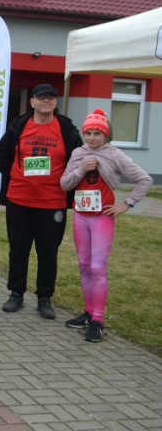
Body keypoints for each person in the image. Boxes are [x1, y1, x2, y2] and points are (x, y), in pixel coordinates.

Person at [60, 109, 152, 342]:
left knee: (98, 268)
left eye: (97, 134)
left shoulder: (115, 155)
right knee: (83, 264)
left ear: (106, 135)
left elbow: (144, 179)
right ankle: (88, 312)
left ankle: (98, 320)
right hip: (81, 216)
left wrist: (127, 204)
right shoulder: (78, 153)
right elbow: (64, 183)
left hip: (102, 217)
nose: (92, 138)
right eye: (88, 133)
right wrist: (81, 168)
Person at [0, 83, 82, 319]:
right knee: (18, 250)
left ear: (55, 102)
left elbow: (79, 159)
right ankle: (16, 294)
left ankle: (45, 298)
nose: (46, 101)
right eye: (41, 97)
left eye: (51, 98)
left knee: (48, 252)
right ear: (32, 101)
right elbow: (0, 157)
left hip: (53, 203)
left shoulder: (65, 128)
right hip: (20, 200)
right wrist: (17, 176)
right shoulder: (19, 125)